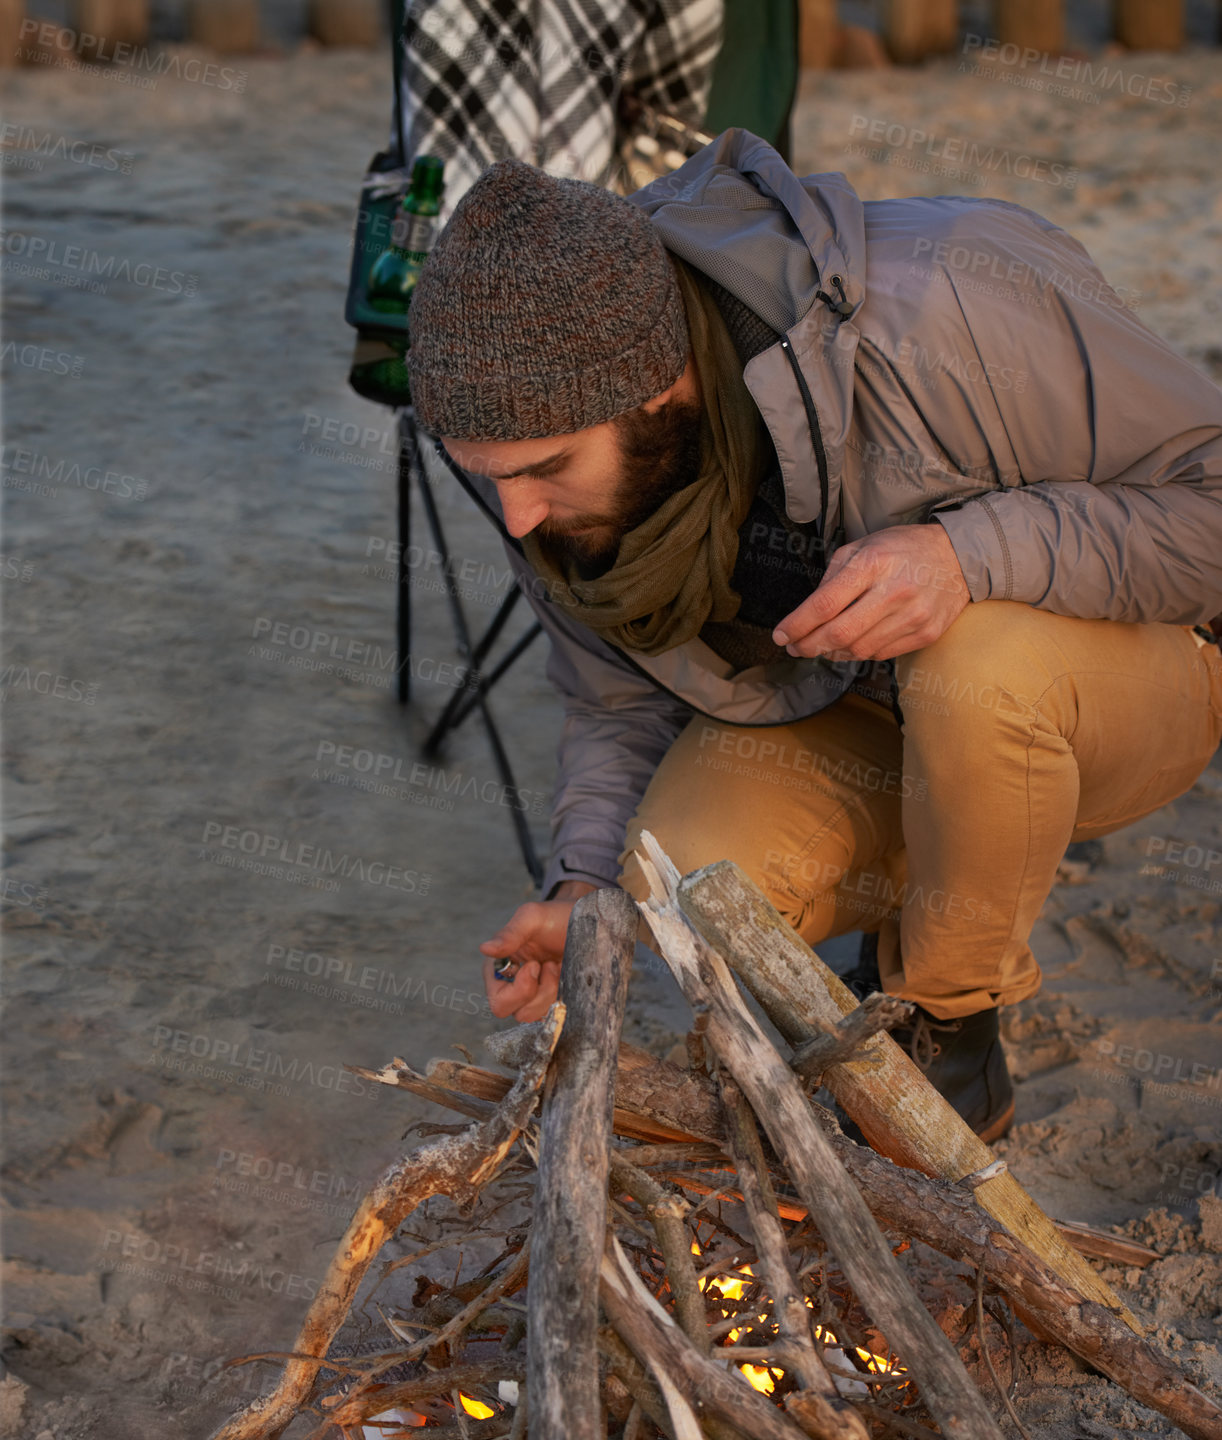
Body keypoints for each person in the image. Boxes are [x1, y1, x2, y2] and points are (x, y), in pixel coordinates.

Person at [407, 131, 1222, 1141]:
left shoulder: (948, 305)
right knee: (684, 868)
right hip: (860, 715)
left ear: (660, 389)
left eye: (545, 469)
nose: (517, 519)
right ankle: (889, 933)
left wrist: (967, 556)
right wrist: (582, 886)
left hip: (1120, 688)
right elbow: (613, 699)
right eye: (489, 478)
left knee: (976, 658)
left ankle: (949, 1026)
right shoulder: (545, 475)